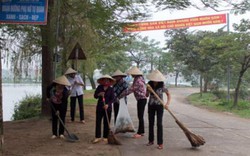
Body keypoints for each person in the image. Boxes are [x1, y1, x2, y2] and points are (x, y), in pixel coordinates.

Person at [146, 69, 171, 150]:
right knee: (151, 123)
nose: (155, 80)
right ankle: (151, 140)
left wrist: (167, 104)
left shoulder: (162, 86)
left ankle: (160, 143)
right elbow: (146, 95)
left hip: (160, 106)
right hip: (151, 105)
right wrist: (147, 90)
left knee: (159, 124)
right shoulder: (149, 84)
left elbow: (168, 95)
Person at [120, 66, 147, 138]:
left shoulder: (138, 80)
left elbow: (131, 89)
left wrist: (121, 95)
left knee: (140, 116)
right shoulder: (139, 78)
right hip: (141, 99)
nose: (131, 75)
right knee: (140, 116)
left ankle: (140, 132)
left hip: (141, 99)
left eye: (132, 74)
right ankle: (141, 131)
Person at [92, 75, 115, 143]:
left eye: (107, 80)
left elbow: (113, 99)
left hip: (108, 108)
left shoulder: (111, 89)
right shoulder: (99, 87)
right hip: (100, 107)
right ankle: (98, 136)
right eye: (104, 80)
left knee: (106, 122)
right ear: (102, 81)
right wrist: (99, 94)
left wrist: (108, 104)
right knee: (98, 121)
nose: (106, 81)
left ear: (109, 81)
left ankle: (105, 136)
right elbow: (95, 96)